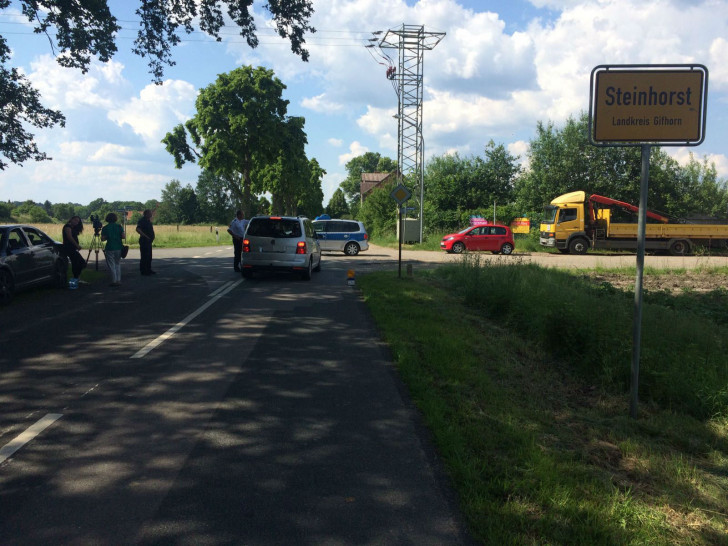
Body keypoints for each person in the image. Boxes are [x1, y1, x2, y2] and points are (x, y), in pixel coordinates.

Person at [101, 212, 125, 286]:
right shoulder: (119, 226)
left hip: (110, 247)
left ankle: (113, 280)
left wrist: (108, 236)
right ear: (115, 219)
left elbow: (102, 239)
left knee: (111, 264)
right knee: (117, 263)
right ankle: (118, 280)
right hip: (118, 246)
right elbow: (123, 237)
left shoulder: (105, 228)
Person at [62, 216, 86, 289]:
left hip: (73, 248)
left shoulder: (72, 227)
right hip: (69, 248)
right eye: (75, 220)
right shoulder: (67, 227)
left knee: (79, 262)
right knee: (79, 262)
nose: (76, 222)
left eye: (78, 221)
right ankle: (75, 280)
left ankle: (76, 278)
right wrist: (77, 245)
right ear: (71, 219)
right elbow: (70, 237)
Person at [136, 209, 156, 275]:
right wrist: (145, 236)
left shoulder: (148, 221)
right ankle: (144, 271)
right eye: (150, 213)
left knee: (149, 256)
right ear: (146, 214)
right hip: (144, 241)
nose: (151, 214)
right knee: (144, 256)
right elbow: (138, 229)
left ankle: (148, 269)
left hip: (149, 241)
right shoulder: (142, 221)